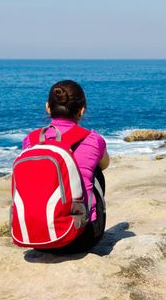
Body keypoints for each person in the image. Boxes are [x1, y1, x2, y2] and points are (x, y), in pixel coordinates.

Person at [22, 80, 109, 252]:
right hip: (80, 239)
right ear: (81, 110)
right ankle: (85, 218)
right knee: (96, 171)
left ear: (48, 107)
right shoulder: (92, 139)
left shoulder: (30, 140)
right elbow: (105, 164)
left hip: (37, 236)